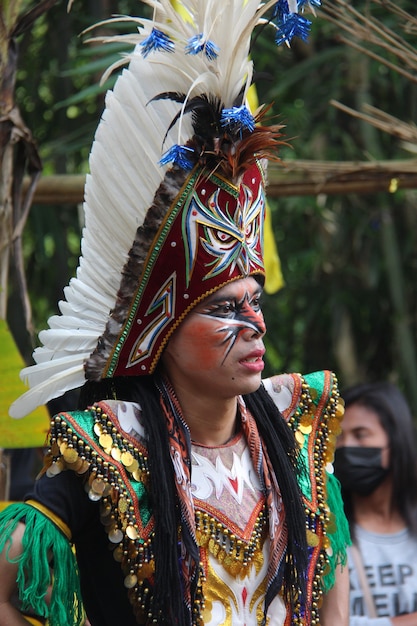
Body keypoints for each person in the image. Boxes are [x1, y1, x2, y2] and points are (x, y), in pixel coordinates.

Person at [0, 1, 350, 624]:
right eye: (222, 307)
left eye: (254, 302)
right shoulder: (112, 448)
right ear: (160, 327)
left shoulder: (299, 440)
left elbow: (330, 595)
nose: (254, 325)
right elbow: (12, 580)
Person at [334, 382, 417, 626]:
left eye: (361, 435)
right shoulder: (326, 536)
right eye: (338, 438)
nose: (346, 447)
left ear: (396, 442)